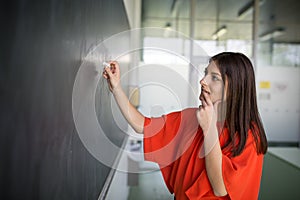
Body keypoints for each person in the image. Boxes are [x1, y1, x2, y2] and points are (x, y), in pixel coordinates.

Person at [102, 52, 268, 200]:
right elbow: (142, 125)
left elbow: (220, 188)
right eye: (205, 74)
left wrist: (208, 128)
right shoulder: (191, 117)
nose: (203, 81)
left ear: (235, 88)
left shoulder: (250, 136)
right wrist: (116, 88)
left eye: (214, 77)